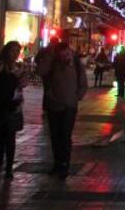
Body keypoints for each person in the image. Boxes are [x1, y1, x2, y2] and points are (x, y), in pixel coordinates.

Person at [37, 39, 88, 178]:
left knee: (65, 136)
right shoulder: (53, 63)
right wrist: (49, 55)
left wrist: (76, 97)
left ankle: (65, 164)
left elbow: (83, 84)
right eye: (61, 55)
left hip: (69, 107)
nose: (64, 57)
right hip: (54, 106)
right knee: (55, 136)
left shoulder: (77, 65)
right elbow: (40, 71)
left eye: (67, 54)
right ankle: (57, 163)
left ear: (70, 52)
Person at [0, 41, 24, 178]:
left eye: (17, 51)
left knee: (10, 136)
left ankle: (9, 166)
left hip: (13, 106)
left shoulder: (18, 67)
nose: (15, 54)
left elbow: (22, 85)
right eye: (12, 50)